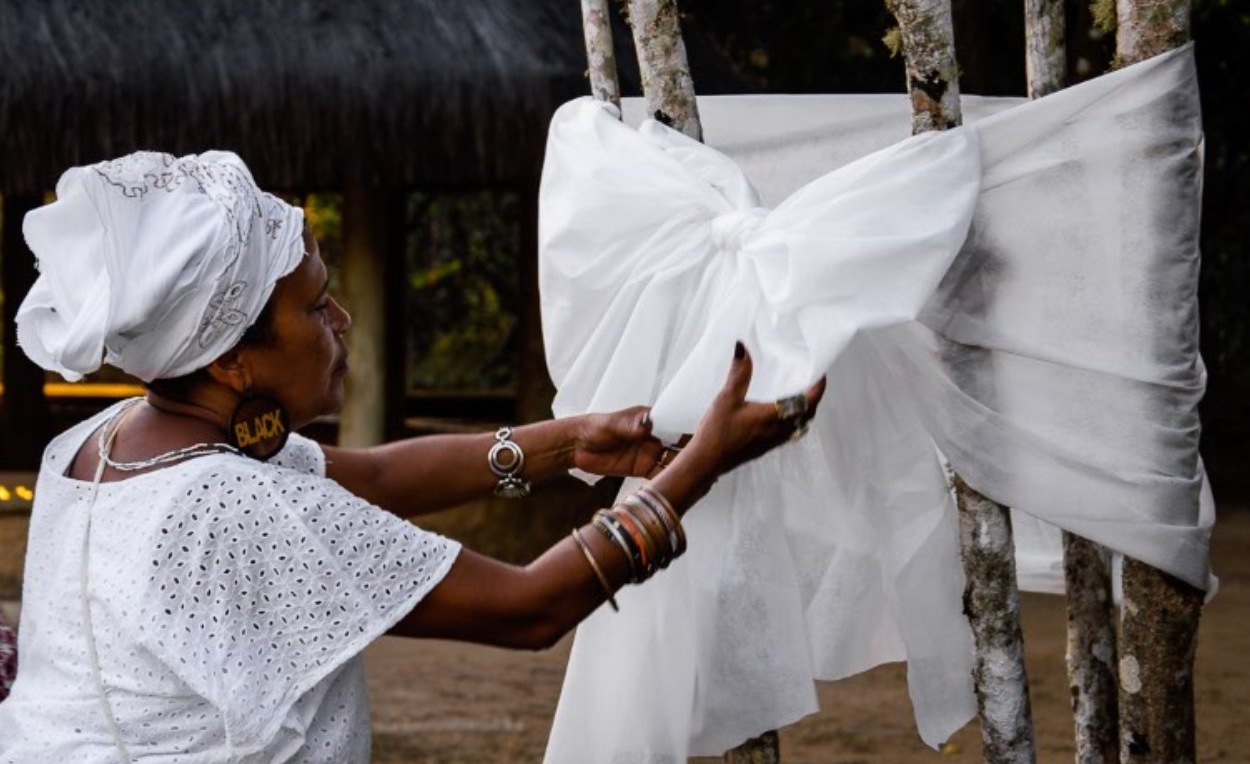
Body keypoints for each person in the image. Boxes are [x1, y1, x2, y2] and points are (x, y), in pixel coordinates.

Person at [0, 151, 823, 762]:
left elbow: (379, 477)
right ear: (229, 359)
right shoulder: (231, 506)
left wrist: (570, 440)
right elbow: (527, 608)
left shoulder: (96, 446)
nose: (344, 321)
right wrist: (700, 467)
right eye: (316, 307)